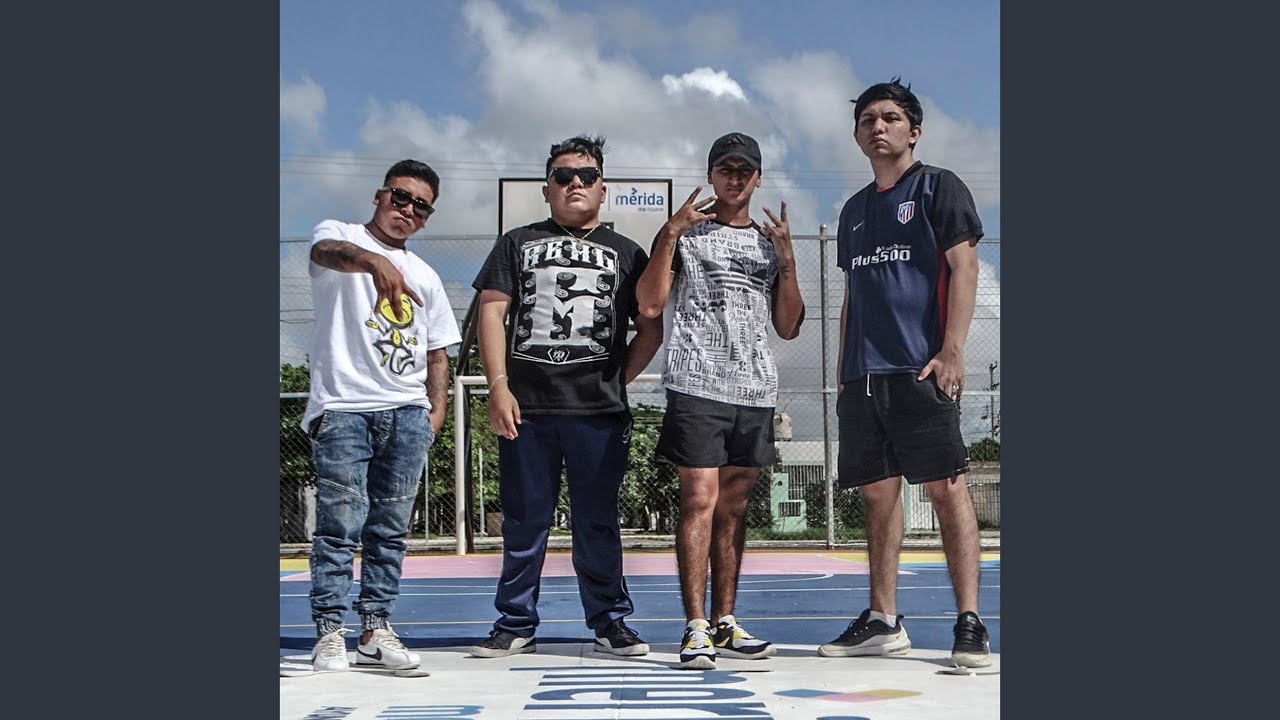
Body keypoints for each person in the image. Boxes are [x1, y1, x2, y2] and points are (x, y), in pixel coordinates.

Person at [468, 134, 663, 658]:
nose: (575, 183)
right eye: (563, 176)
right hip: (528, 407)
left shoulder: (629, 252)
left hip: (598, 411)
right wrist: (499, 386)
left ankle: (609, 621)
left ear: (603, 188)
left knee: (597, 521)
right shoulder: (516, 242)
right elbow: (493, 312)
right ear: (546, 188)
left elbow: (651, 327)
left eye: (587, 175)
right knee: (524, 520)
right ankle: (515, 622)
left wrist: (618, 378)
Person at [818, 78, 991, 668]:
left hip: (920, 367)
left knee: (947, 488)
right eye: (868, 119)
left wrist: (952, 348)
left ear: (913, 131)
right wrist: (845, 370)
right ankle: (883, 620)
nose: (878, 126)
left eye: (890, 117)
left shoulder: (938, 186)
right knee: (878, 493)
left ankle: (969, 621)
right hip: (863, 375)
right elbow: (853, 295)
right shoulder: (853, 210)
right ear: (857, 135)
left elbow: (965, 267)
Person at [634, 132, 805, 670]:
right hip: (697, 383)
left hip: (753, 389)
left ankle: (725, 620)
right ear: (710, 175)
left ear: (757, 178)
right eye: (725, 169)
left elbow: (789, 326)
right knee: (699, 500)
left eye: (744, 170)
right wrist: (669, 233)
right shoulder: (685, 233)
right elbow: (649, 304)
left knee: (733, 508)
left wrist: (788, 262)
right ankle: (695, 626)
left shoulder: (769, 243)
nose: (734, 178)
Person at [301, 159, 462, 672]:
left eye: (421, 206)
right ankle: (330, 631)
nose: (408, 209)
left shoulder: (427, 276)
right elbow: (325, 253)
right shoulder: (340, 235)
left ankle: (374, 629)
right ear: (379, 195)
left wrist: (435, 414)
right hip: (344, 408)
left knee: (389, 531)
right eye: (401, 196)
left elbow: (438, 353)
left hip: (407, 413)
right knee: (339, 526)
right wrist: (374, 263)